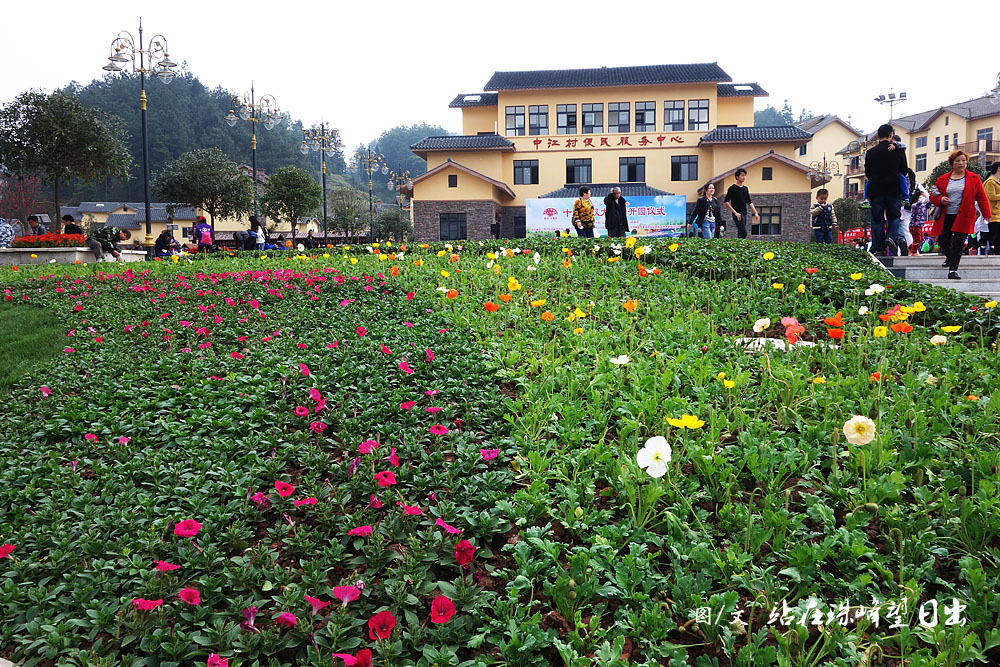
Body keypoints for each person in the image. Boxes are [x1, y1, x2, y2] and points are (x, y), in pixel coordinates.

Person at [929, 150, 991, 280]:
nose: (961, 163)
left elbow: (981, 197)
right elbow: (933, 197)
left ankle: (953, 269)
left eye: (963, 160)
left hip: (964, 215)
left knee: (959, 242)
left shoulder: (974, 178)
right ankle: (950, 257)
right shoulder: (942, 179)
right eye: (957, 161)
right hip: (946, 215)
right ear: (952, 163)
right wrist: (940, 199)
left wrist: (986, 214)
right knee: (943, 241)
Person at [864, 124, 909, 256]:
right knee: (894, 217)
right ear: (891, 135)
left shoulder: (871, 152)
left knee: (877, 220)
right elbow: (904, 170)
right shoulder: (898, 151)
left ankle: (879, 248)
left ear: (878, 136)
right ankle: (891, 237)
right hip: (893, 190)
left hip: (876, 190)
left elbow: (868, 172)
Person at [723, 169, 759, 239]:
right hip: (737, 214)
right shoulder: (732, 188)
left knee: (741, 233)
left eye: (745, 175)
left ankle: (739, 247)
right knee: (744, 232)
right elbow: (726, 201)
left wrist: (756, 213)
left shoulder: (745, 188)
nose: (744, 177)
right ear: (737, 177)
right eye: (742, 175)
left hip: (744, 213)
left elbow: (749, 202)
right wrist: (735, 213)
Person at [983, 162, 1000, 255]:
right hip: (993, 214)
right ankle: (990, 250)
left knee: (997, 236)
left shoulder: (996, 181)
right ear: (998, 169)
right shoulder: (990, 182)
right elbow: (991, 196)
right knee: (994, 235)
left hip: (998, 213)